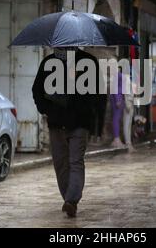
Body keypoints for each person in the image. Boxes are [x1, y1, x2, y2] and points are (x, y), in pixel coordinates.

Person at [32, 47, 104, 218]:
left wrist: (91, 118)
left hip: (79, 123)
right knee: (60, 163)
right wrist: (47, 110)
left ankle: (71, 200)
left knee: (75, 161)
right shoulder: (49, 63)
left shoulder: (88, 62)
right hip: (56, 123)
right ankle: (69, 200)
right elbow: (37, 90)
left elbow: (99, 95)